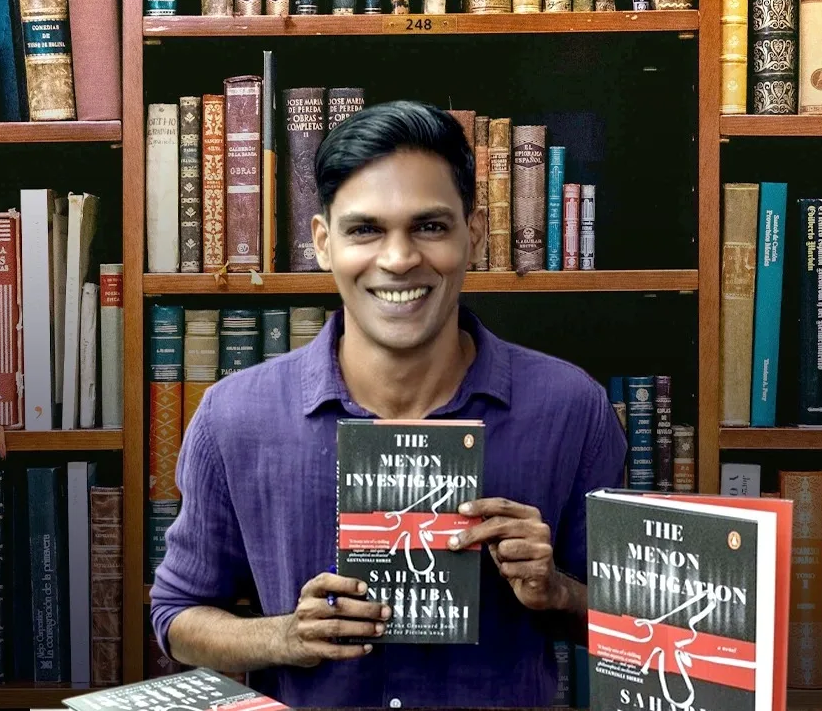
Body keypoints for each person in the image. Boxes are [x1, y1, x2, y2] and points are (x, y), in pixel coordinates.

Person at [150, 99, 627, 708]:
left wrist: (556, 591)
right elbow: (177, 616)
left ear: (475, 235)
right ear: (323, 243)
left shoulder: (571, 408)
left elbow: (639, 630)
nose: (399, 259)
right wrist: (286, 637)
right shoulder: (234, 417)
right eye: (364, 230)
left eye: (429, 227)